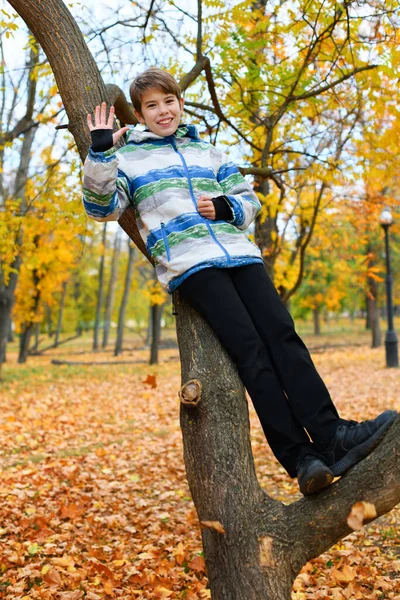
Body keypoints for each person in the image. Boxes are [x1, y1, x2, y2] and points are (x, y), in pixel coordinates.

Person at [82, 68, 397, 496]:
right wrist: (100, 151)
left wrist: (226, 206)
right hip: (193, 264)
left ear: (179, 102)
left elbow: (250, 202)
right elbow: (102, 208)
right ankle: (302, 459)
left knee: (283, 337)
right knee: (251, 353)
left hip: (240, 255)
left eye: (168, 101)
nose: (163, 111)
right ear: (138, 114)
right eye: (151, 106)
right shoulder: (129, 159)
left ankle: (333, 434)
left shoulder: (209, 151)